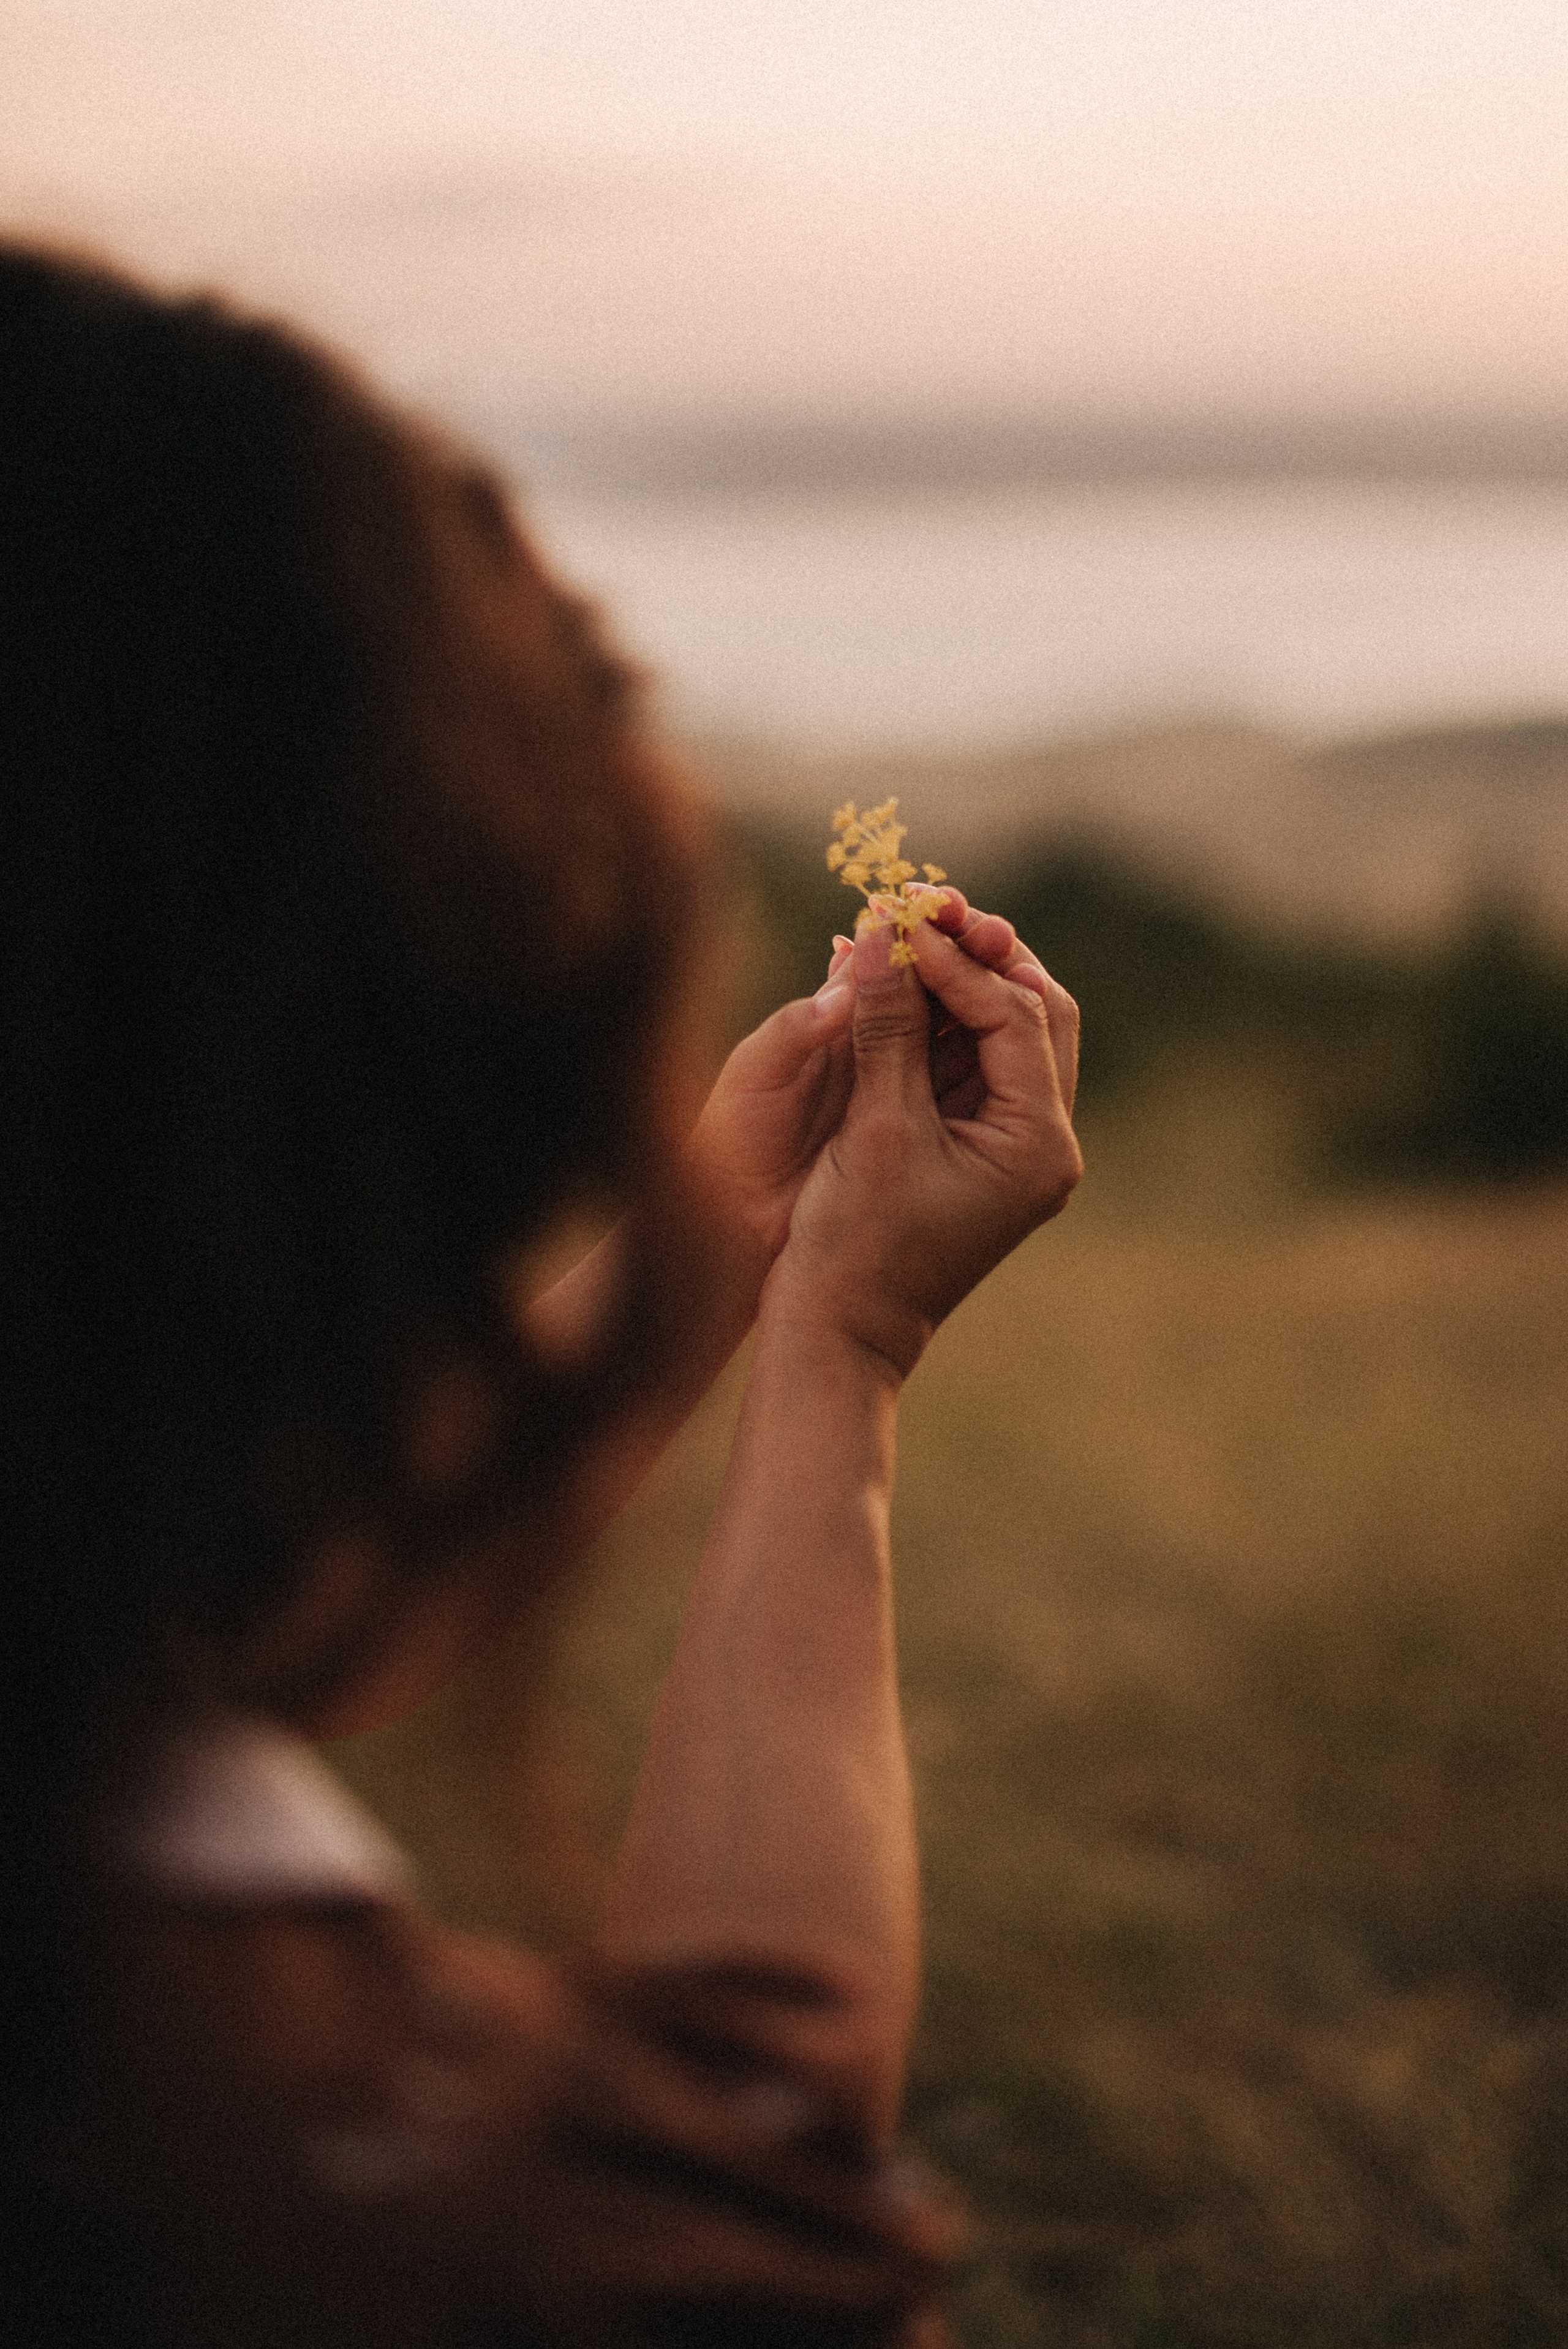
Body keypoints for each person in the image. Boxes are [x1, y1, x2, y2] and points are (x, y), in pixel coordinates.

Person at [0, 240, 1082, 2347]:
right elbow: (749, 2202)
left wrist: (726, 1245)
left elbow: (193, 1621)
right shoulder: (258, 2151)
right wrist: (839, 1347)